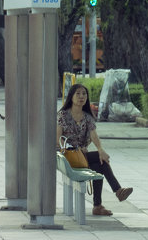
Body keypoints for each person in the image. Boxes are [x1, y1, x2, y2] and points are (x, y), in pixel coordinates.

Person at [57, 83, 134, 216]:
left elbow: (94, 135)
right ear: (71, 96)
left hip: (82, 157)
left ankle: (101, 203)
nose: (81, 97)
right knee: (100, 161)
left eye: (84, 94)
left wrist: (101, 150)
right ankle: (115, 192)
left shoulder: (87, 117)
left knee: (100, 163)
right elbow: (57, 137)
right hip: (67, 156)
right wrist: (73, 148)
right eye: (78, 94)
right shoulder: (63, 115)